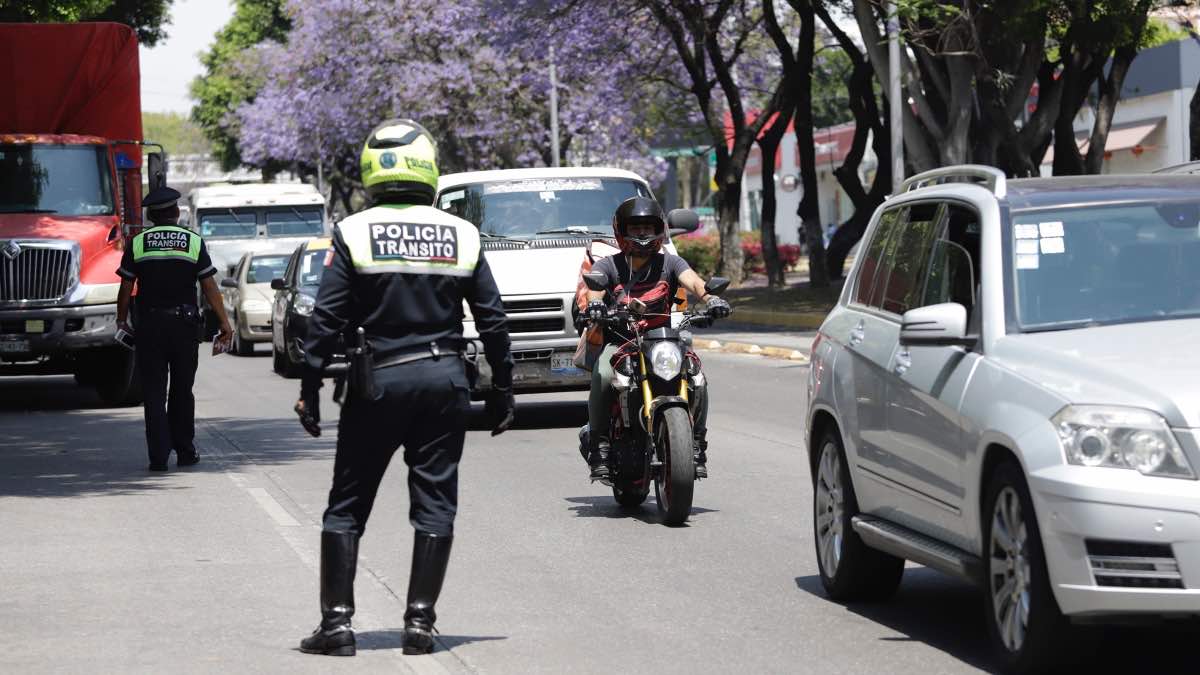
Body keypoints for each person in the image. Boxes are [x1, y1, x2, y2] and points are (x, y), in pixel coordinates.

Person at [296, 119, 514, 658]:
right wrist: (503, 389)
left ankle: (337, 625)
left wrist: (310, 385)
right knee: (435, 503)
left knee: (346, 505)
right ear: (428, 167)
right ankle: (420, 625)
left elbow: (325, 319)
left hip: (377, 383)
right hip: (444, 383)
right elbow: (493, 320)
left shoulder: (352, 231)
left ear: (372, 170)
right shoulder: (461, 233)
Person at [583, 196, 730, 480]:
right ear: (621, 231)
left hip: (663, 340)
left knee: (697, 378)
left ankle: (696, 444)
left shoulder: (671, 263)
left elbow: (695, 282)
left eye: (648, 228)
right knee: (602, 375)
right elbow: (595, 288)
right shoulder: (610, 265)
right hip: (623, 341)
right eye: (635, 228)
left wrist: (712, 300)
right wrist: (595, 305)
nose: (642, 234)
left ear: (659, 230)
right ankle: (599, 446)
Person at [116, 186, 234, 471]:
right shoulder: (193, 241)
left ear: (151, 215)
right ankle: (184, 450)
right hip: (183, 327)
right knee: (183, 390)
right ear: (176, 212)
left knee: (154, 392)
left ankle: (158, 457)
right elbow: (208, 286)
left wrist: (121, 320)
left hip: (150, 328)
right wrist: (224, 322)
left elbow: (126, 287)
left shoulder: (138, 242)